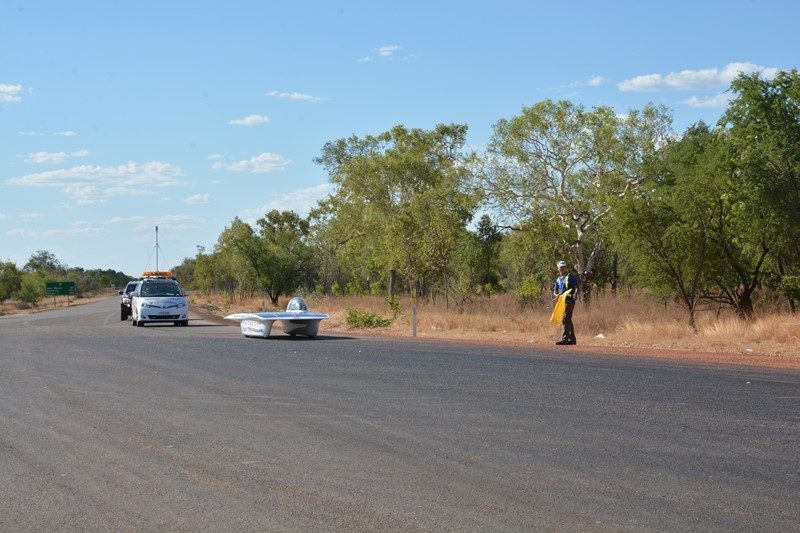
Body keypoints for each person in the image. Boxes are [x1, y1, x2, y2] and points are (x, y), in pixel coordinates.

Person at [553, 260, 579, 345]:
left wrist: (575, 293)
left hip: (569, 300)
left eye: (564, 267)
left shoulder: (570, 277)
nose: (562, 269)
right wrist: (556, 294)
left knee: (565, 319)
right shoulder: (558, 279)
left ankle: (565, 339)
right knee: (568, 319)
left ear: (566, 268)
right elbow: (555, 291)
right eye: (561, 267)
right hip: (561, 301)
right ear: (558, 269)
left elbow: (576, 287)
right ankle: (572, 339)